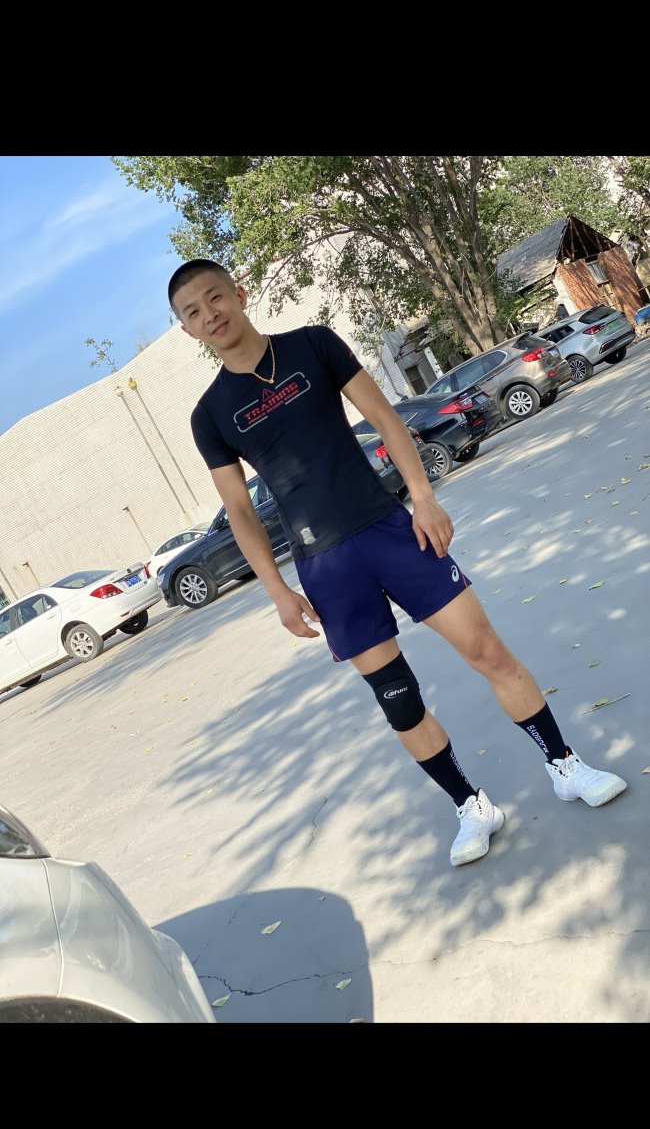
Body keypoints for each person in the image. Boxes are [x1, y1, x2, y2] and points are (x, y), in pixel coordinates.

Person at [170, 259, 627, 868]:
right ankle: (471, 806)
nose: (209, 314)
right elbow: (239, 510)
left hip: (391, 530)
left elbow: (386, 419)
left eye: (214, 297)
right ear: (187, 329)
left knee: (487, 650)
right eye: (192, 312)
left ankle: (565, 766)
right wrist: (278, 591)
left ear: (239, 294)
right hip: (326, 567)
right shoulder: (210, 415)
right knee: (398, 699)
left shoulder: (312, 345)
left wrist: (423, 497)